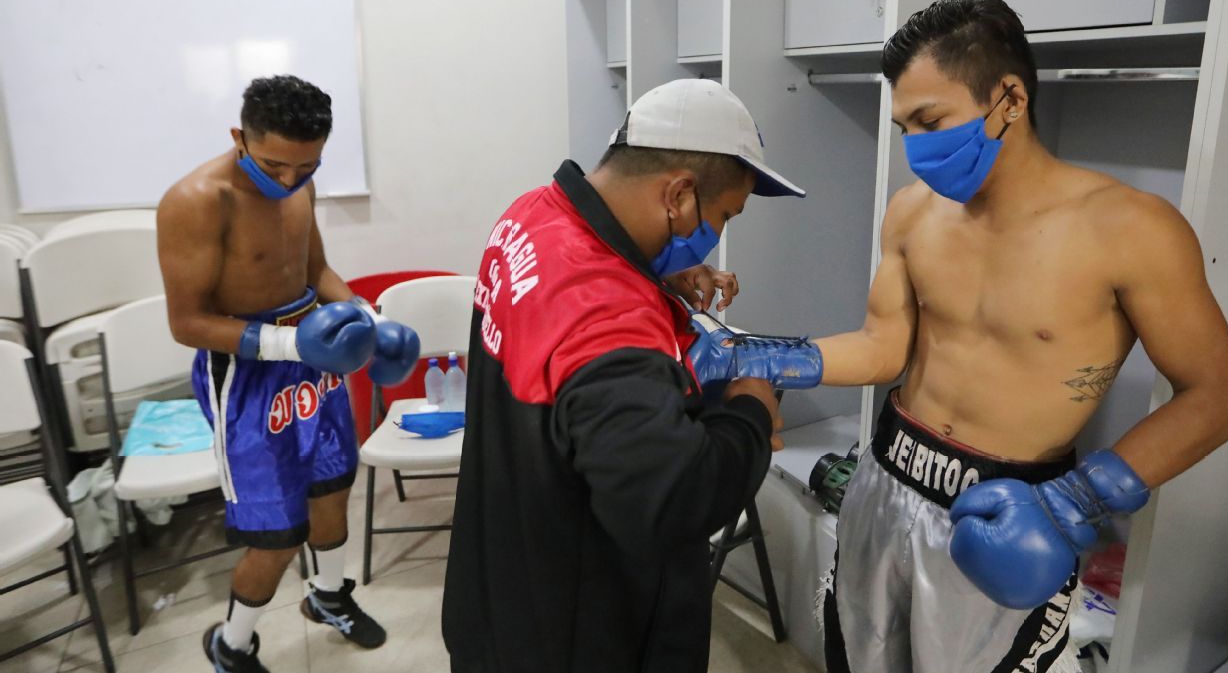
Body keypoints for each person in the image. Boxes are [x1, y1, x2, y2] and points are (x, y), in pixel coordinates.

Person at [690, 0, 1228, 672]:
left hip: (1004, 512)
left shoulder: (1132, 230)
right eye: (904, 127)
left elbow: (1216, 395)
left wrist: (1081, 498)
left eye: (930, 119)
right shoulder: (911, 213)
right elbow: (882, 347)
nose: (917, 147)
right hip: (887, 478)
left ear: (1009, 98)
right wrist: (760, 355)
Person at [441, 78, 810, 673]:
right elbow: (675, 501)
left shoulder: (531, 216)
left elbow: (563, 350)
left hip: (500, 595)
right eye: (723, 215)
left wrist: (652, 277)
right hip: (580, 635)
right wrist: (750, 409)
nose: (715, 235)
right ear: (681, 196)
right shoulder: (606, 310)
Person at [157, 75, 421, 673]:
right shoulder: (196, 199)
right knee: (275, 532)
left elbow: (316, 269)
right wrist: (285, 341)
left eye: (304, 166)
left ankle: (328, 597)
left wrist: (366, 316)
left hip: (314, 355)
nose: (288, 180)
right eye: (274, 164)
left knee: (333, 488)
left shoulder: (300, 177)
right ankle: (231, 645)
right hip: (245, 374)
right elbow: (187, 322)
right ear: (239, 138)